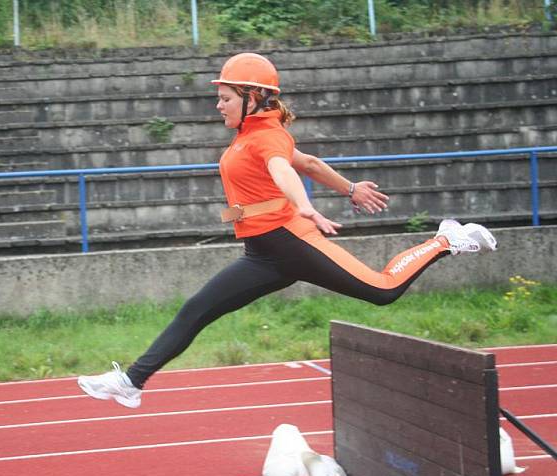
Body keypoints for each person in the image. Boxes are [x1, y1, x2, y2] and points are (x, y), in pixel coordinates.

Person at [77, 52, 497, 409]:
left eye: (224, 98)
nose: (218, 106)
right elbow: (310, 164)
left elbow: (285, 172)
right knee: (197, 309)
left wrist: (305, 207)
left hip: (291, 241)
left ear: (253, 97)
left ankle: (445, 239)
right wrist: (351, 188)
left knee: (383, 291)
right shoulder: (252, 135)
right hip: (263, 254)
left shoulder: (267, 137)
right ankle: (131, 382)